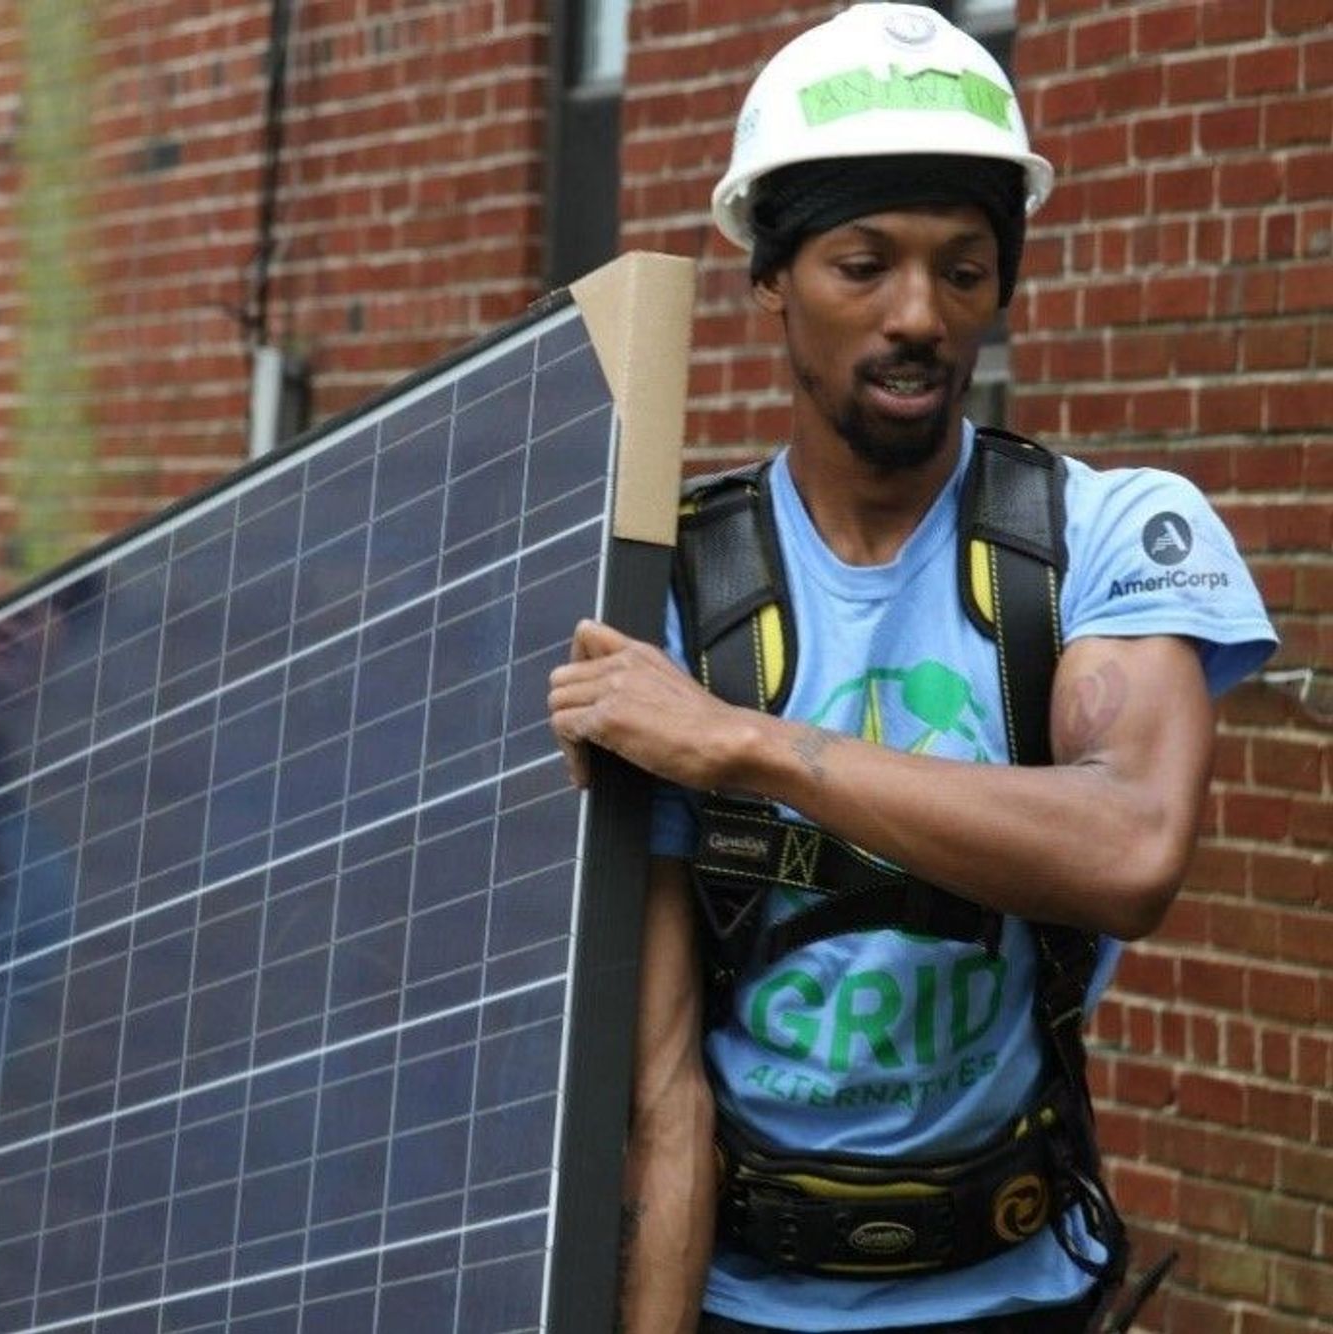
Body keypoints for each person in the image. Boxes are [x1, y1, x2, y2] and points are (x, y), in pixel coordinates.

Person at [547, 6, 1277, 1332]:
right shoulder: (673, 597)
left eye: (963, 267)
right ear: (770, 274)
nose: (918, 315)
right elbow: (662, 1092)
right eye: (861, 263)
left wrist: (750, 746)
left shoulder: (1097, 540)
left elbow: (1132, 849)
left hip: (1020, 1291)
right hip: (744, 1303)